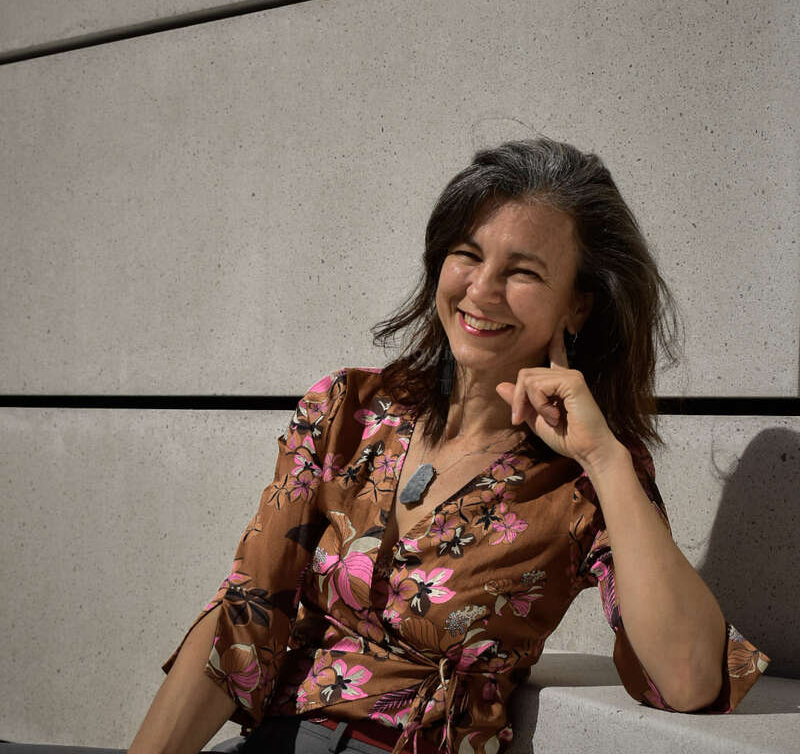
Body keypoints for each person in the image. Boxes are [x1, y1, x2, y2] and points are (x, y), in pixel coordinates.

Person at [128, 138, 768, 754]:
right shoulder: (347, 410)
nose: (482, 290)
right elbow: (244, 615)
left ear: (576, 307)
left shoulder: (582, 477)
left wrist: (604, 458)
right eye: (468, 254)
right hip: (276, 737)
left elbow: (687, 680)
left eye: (522, 271)